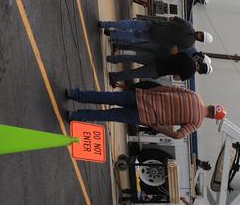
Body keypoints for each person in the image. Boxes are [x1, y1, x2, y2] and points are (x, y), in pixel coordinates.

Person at [66, 84, 225, 140]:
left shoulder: (195, 95)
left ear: (213, 106)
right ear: (212, 118)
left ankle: (74, 94)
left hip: (142, 97)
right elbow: (178, 135)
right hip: (147, 116)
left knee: (108, 97)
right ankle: (76, 115)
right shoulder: (197, 122)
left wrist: (148, 92)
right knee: (111, 115)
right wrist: (159, 128)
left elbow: (167, 88)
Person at [98, 15, 212, 51]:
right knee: (133, 36)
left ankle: (105, 24)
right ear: (201, 41)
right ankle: (113, 34)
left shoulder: (188, 25)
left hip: (155, 25)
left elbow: (171, 18)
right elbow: (174, 49)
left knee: (132, 25)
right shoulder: (188, 45)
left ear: (201, 32)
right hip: (156, 38)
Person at [107, 48, 202, 83]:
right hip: (158, 70)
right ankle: (114, 76)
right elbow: (176, 77)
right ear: (200, 72)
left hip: (158, 58)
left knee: (134, 58)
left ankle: (112, 59)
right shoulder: (189, 74)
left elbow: (174, 52)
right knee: (135, 73)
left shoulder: (188, 56)